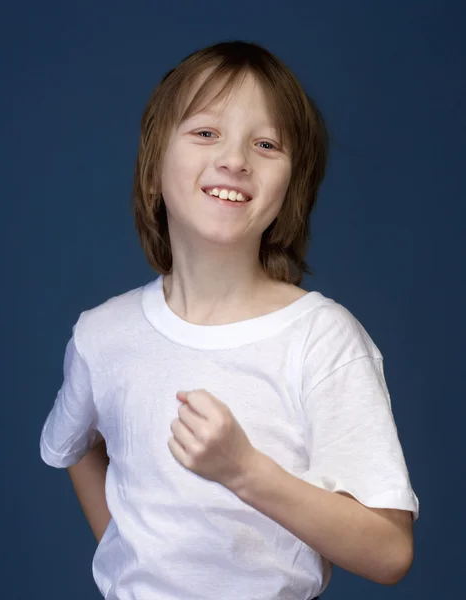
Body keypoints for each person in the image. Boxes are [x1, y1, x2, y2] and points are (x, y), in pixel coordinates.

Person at [40, 40, 419, 600]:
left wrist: (243, 471)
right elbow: (72, 446)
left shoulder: (321, 338)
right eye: (205, 132)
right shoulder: (102, 334)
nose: (235, 159)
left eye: (266, 143)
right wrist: (124, 555)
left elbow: (389, 553)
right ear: (152, 172)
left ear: (289, 187)